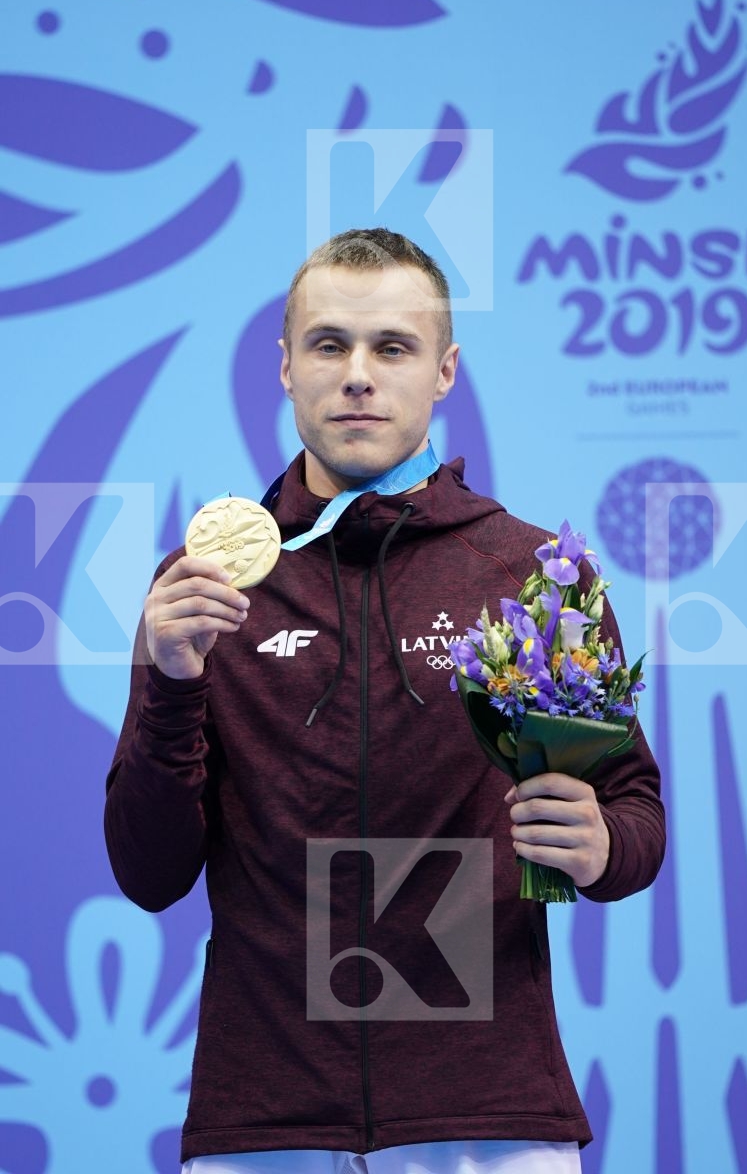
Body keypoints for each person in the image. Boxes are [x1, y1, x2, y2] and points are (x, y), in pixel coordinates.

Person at [105, 228, 665, 1174]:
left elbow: (635, 811)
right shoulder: (205, 589)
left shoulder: (536, 576)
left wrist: (603, 845)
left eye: (392, 347)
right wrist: (170, 683)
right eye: (329, 344)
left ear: (444, 371)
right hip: (266, 1126)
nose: (358, 375)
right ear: (286, 367)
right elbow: (148, 871)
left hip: (490, 1119)